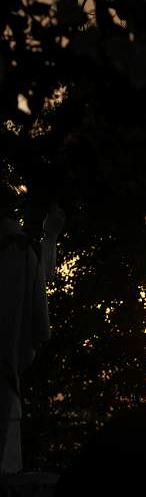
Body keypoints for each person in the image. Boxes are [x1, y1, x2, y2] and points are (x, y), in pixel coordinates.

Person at [0, 200, 65, 474]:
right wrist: (50, 236)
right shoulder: (23, 250)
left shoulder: (24, 250)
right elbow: (41, 280)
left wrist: (49, 237)